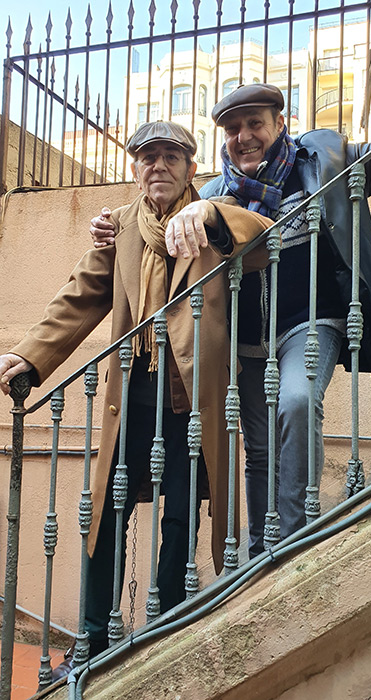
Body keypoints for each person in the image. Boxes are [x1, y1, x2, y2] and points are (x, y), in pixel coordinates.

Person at [90, 84, 371, 560]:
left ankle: (293, 542)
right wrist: (109, 228)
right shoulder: (214, 194)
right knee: (260, 448)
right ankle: (262, 553)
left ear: (280, 124)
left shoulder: (323, 162)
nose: (243, 136)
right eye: (232, 129)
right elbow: (158, 240)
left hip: (311, 323)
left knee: (298, 401)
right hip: (245, 344)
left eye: (254, 124)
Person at [0, 120, 273, 673]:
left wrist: (213, 214)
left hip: (192, 393)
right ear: (135, 168)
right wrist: (30, 355)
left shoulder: (211, 212)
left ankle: (166, 628)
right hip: (134, 388)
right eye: (148, 158)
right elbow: (81, 295)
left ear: (191, 168)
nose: (160, 167)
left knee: (182, 510)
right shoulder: (121, 227)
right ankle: (93, 640)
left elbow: (264, 238)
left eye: (172, 157)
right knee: (107, 511)